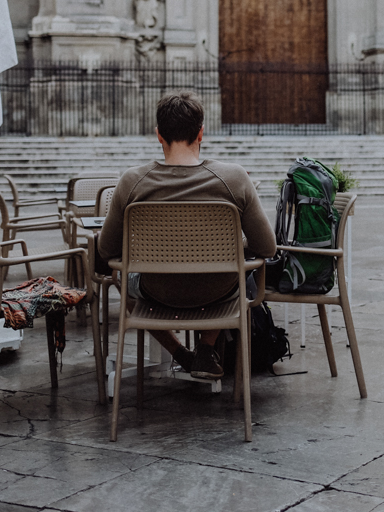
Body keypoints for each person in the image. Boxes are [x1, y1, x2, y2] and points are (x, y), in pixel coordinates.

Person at [98, 91, 276, 380]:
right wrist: (230, 247)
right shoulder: (234, 178)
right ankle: (206, 348)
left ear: (158, 135)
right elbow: (267, 247)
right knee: (241, 269)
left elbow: (107, 250)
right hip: (220, 290)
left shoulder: (132, 181)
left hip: (156, 291)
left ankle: (181, 353)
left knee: (121, 276)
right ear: (201, 133)